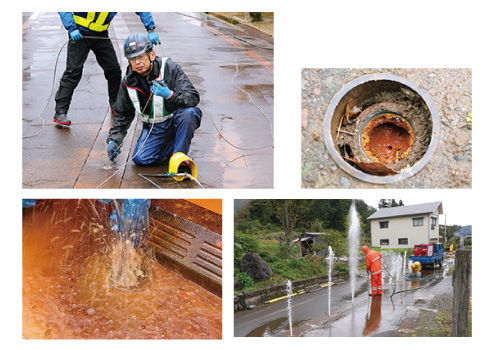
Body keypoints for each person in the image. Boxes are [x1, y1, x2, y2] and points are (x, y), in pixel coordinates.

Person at [106, 33, 202, 174]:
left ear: (151, 55)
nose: (137, 62)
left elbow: (193, 97)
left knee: (189, 113)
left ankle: (179, 157)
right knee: (140, 159)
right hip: (155, 128)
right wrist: (114, 140)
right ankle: (173, 144)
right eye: (132, 59)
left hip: (176, 120)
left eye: (141, 57)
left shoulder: (169, 68)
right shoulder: (128, 82)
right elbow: (123, 114)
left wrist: (170, 95)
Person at [54, 12, 161, 126]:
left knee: (113, 71)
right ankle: (60, 112)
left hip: (100, 35)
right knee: (73, 72)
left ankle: (115, 105)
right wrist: (71, 28)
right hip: (79, 34)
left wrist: (150, 29)